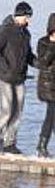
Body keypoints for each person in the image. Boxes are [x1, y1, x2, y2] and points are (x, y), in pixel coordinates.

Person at [0, 2, 37, 154]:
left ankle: (10, 143)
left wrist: (41, 64)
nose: (28, 21)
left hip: (20, 78)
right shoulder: (4, 30)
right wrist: (5, 66)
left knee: (18, 112)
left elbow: (28, 56)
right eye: (27, 17)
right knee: (7, 110)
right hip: (4, 76)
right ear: (19, 15)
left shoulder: (26, 34)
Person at [36, 13, 55, 157]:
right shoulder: (43, 43)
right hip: (48, 86)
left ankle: (42, 145)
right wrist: (53, 45)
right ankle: (41, 146)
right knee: (50, 115)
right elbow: (43, 63)